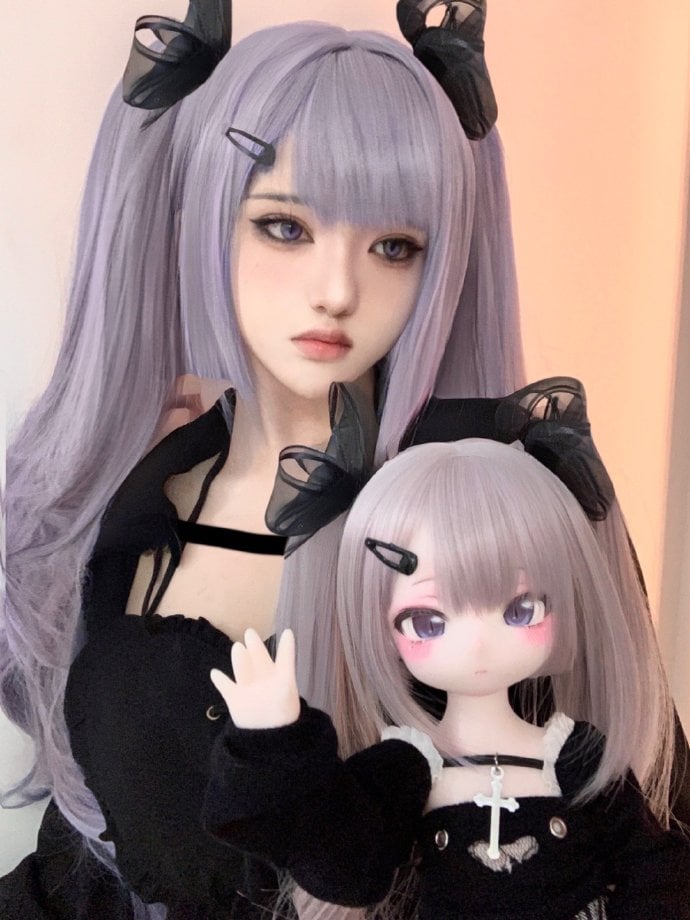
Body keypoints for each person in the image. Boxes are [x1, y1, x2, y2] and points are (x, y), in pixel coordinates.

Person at [1, 0, 685, 917]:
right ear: (206, 219)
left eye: (394, 246)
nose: (337, 290)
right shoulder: (135, 507)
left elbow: (650, 834)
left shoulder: (514, 511)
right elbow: (85, 852)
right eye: (285, 227)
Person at [205, 438, 689, 920]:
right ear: (380, 626)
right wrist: (274, 742)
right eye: (427, 621)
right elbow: (345, 870)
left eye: (521, 610)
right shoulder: (409, 766)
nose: (478, 644)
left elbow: (655, 869)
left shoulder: (575, 754)